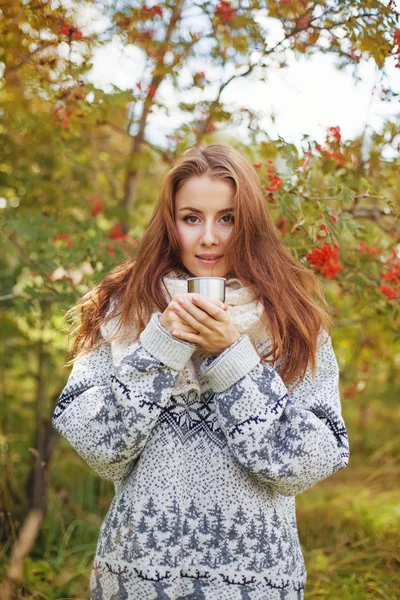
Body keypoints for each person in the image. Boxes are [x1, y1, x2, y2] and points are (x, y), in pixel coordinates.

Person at [52, 143, 350, 600]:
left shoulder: (292, 320)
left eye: (227, 218)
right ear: (170, 223)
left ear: (248, 223)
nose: (209, 237)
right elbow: (101, 450)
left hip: (256, 585)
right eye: (191, 217)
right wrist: (161, 344)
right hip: (138, 582)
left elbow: (307, 462)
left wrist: (233, 357)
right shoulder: (121, 310)